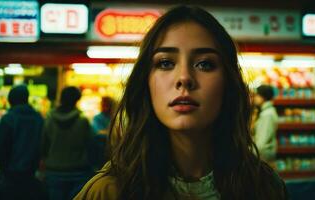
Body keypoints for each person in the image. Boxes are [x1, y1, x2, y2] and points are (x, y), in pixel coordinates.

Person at [74, 5, 288, 200]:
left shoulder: (264, 188)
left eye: (204, 64)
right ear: (145, 82)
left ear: (228, 83)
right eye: (166, 63)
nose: (184, 77)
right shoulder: (107, 191)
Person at [41, 86, 94, 200]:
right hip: (78, 171)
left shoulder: (49, 120)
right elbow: (90, 145)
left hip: (54, 171)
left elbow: (43, 145)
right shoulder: (83, 121)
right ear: (77, 100)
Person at [0, 84, 47, 200]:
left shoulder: (8, 119)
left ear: (10, 100)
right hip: (31, 174)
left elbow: (1, 147)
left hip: (10, 175)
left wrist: (4, 169)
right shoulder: (38, 118)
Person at [252, 84, 279, 163]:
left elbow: (261, 143)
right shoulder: (267, 112)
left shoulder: (267, 114)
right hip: (263, 156)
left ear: (263, 97)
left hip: (263, 157)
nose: (255, 98)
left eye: (257, 95)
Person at [90, 96, 112, 169]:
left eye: (106, 104)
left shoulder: (113, 117)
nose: (104, 106)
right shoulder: (97, 117)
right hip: (100, 149)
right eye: (103, 104)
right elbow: (97, 132)